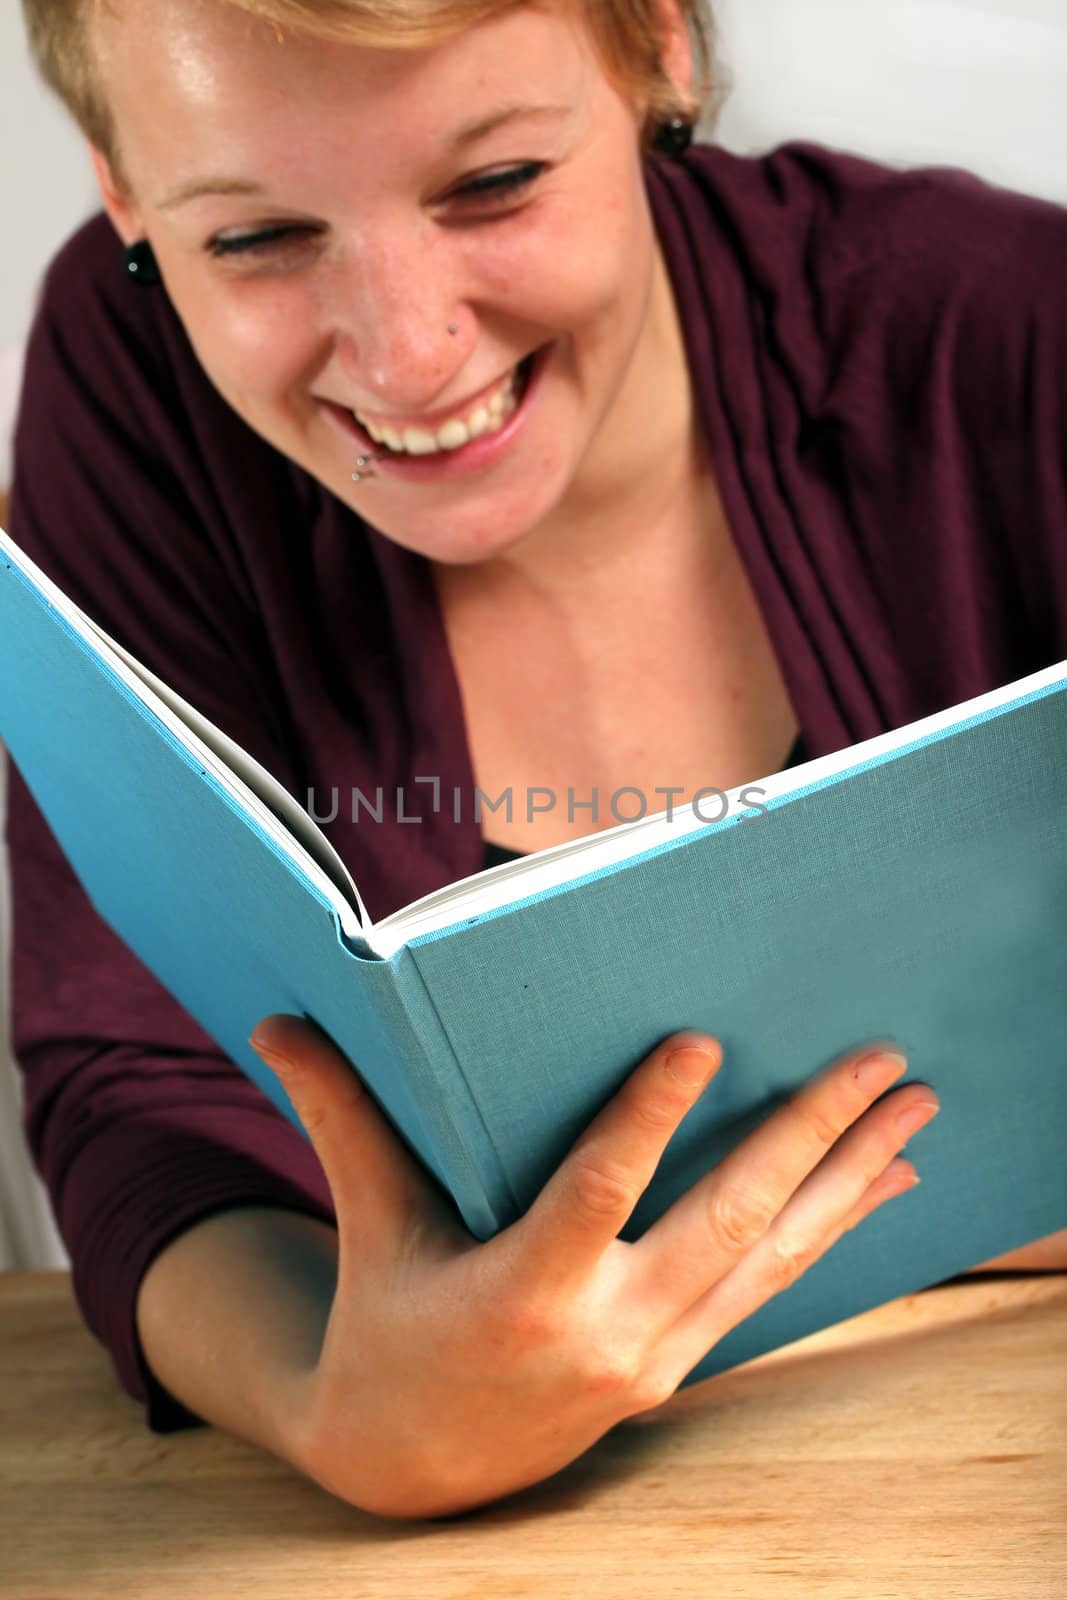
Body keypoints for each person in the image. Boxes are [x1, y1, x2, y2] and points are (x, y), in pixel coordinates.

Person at [8, 0, 1066, 1520]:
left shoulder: (1006, 330)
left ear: (661, 53)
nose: (408, 350)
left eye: (494, 186)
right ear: (121, 187)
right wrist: (336, 1407)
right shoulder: (140, 382)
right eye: (254, 241)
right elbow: (133, 1081)